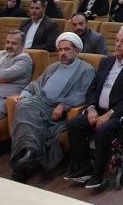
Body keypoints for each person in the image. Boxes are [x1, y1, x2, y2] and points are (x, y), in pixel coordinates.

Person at [64, 26, 123, 188]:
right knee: (74, 124)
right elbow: (93, 88)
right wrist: (91, 108)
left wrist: (109, 114)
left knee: (103, 130)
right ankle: (84, 168)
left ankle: (98, 174)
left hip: (120, 113)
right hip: (98, 110)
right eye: (116, 40)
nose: (117, 44)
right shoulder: (106, 62)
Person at [9, 32, 96, 182]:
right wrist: (25, 92)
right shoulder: (54, 66)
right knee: (24, 105)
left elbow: (84, 93)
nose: (62, 53)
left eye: (67, 49)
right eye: (60, 49)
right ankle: (30, 153)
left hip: (54, 108)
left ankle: (25, 159)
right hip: (39, 101)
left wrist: (63, 105)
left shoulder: (86, 69)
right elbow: (36, 83)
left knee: (25, 109)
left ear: (77, 50)